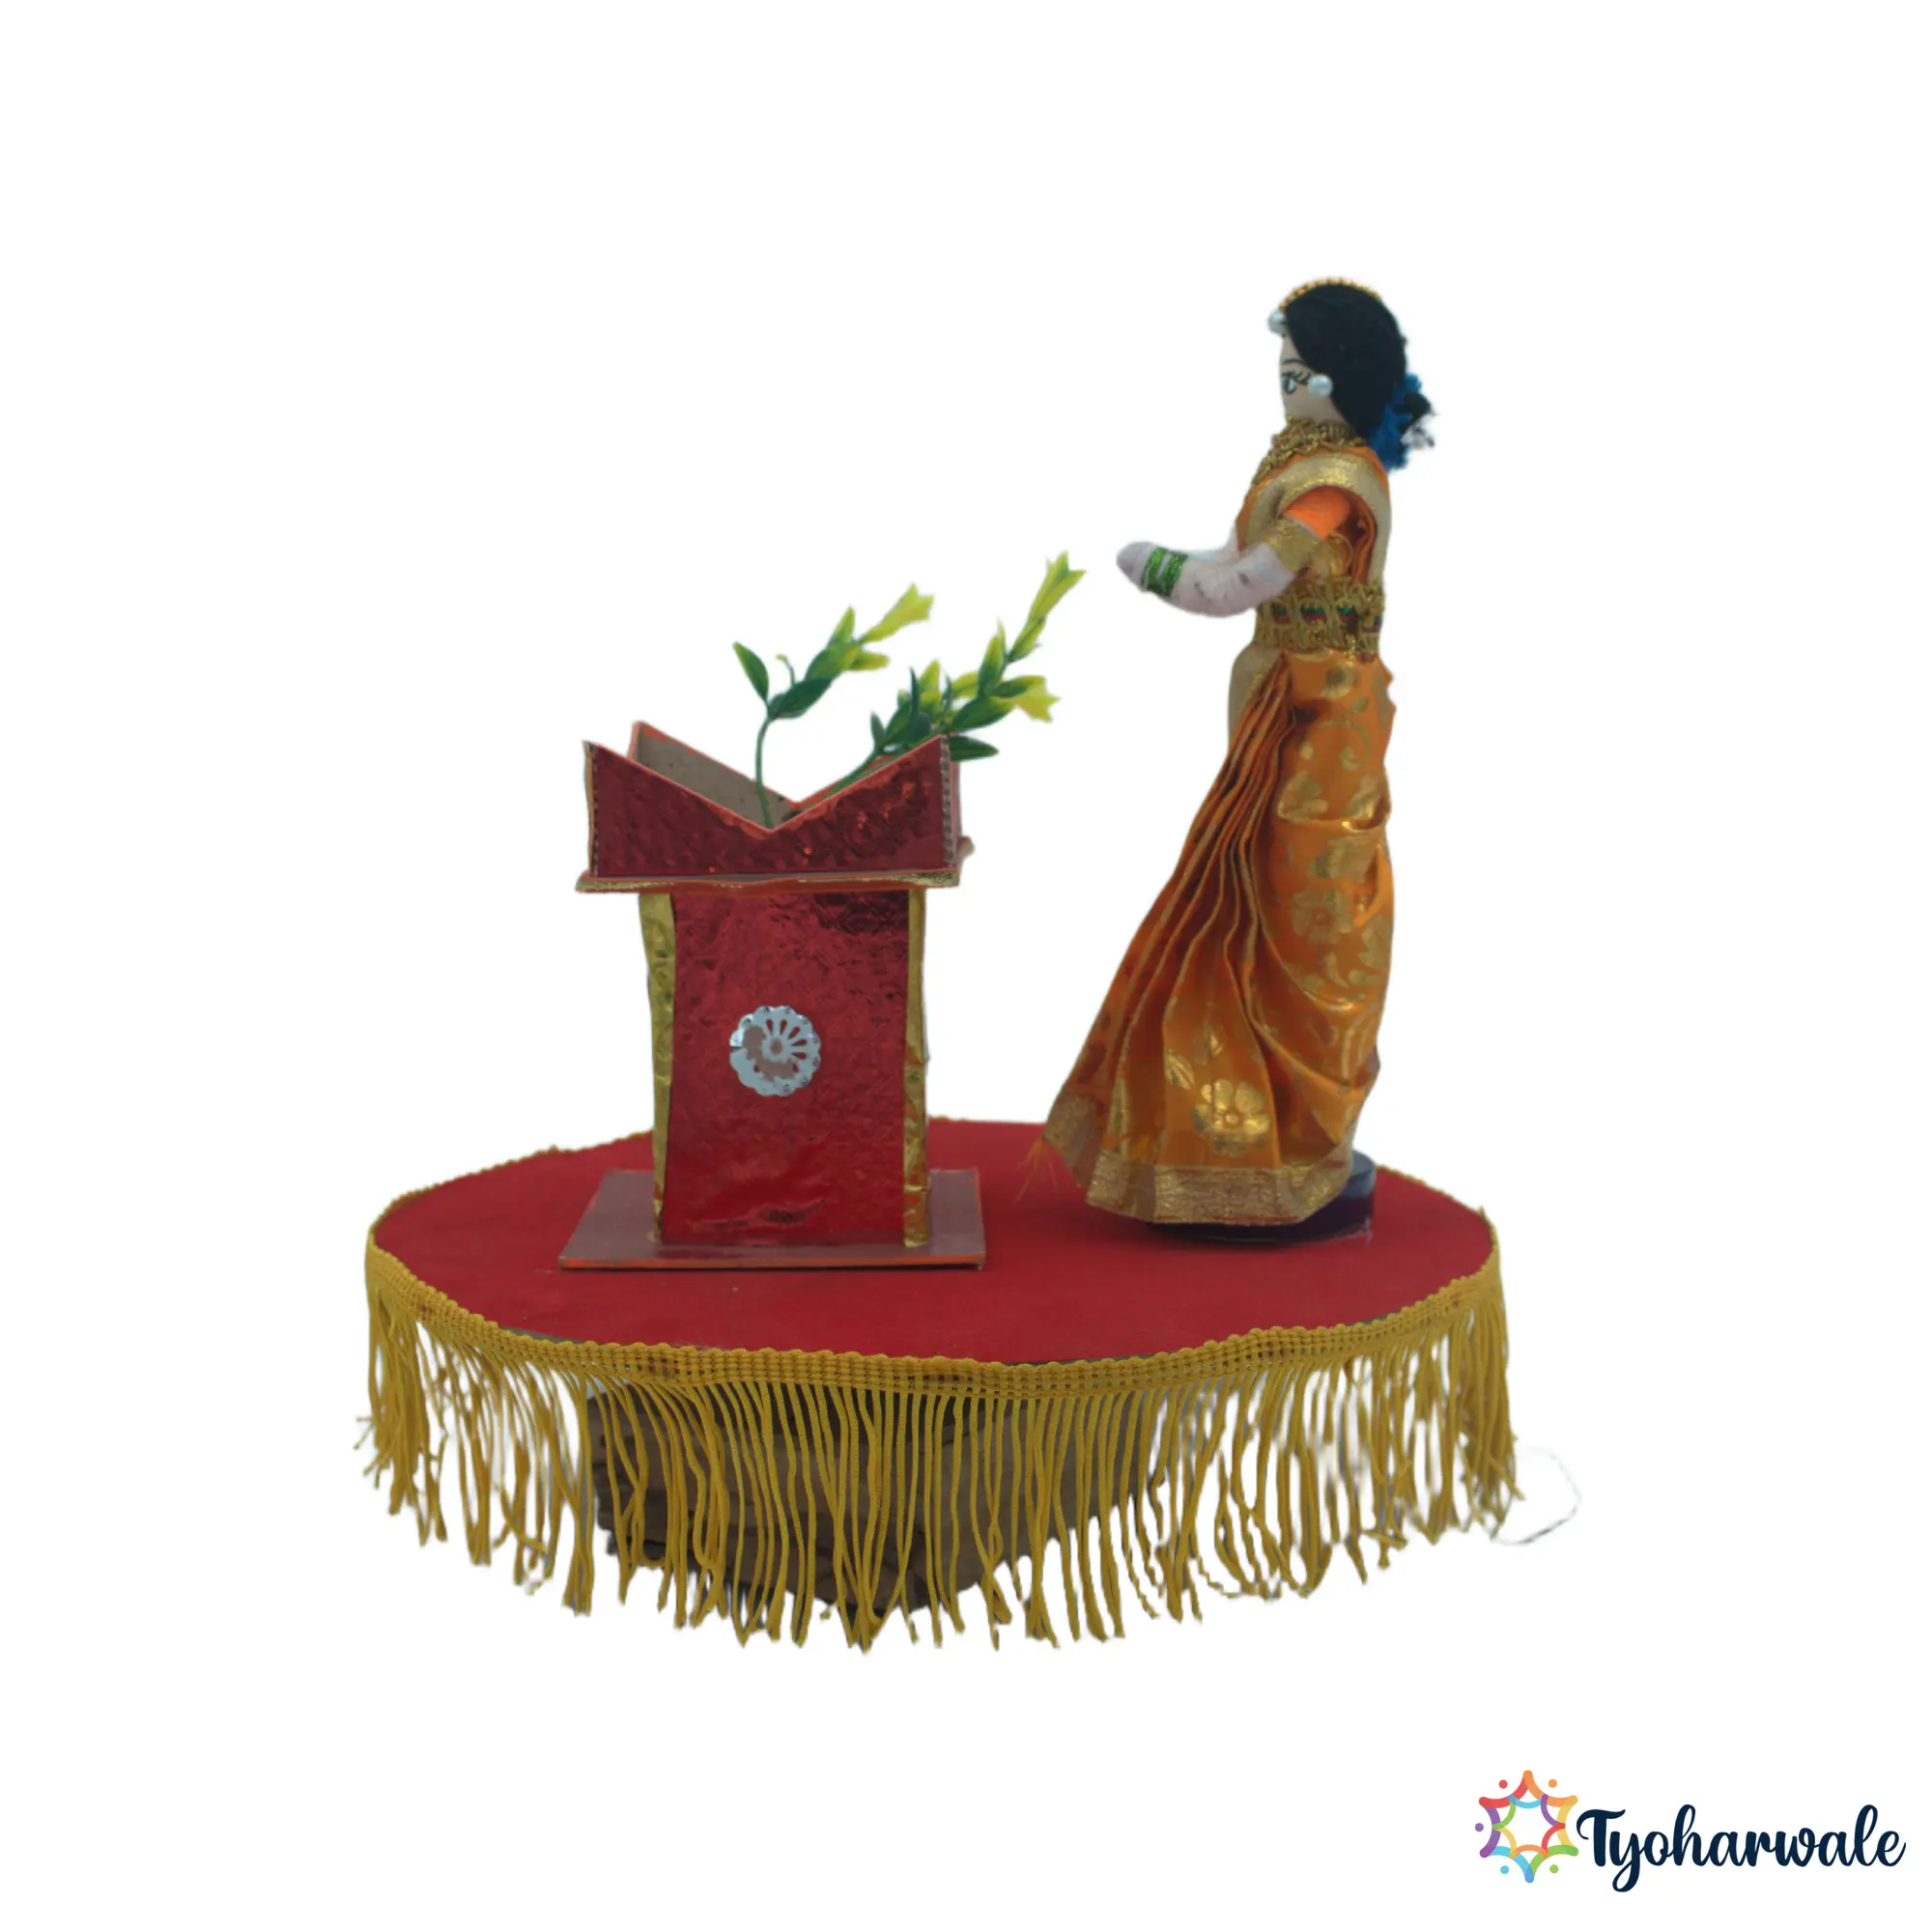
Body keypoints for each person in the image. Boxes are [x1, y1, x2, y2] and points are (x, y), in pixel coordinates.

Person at [1042, 279, 1434, 1226]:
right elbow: (1232, 558)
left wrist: (1149, 566)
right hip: (1276, 701)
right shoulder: (1297, 461)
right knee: (1251, 893)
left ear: (1335, 379)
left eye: (1296, 373)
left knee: (1304, 912)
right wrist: (1175, 561)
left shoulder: (1333, 484)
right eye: (1281, 371)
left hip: (1321, 725)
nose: (1283, 388)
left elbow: (1236, 585)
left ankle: (1295, 1132)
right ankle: (1232, 1125)